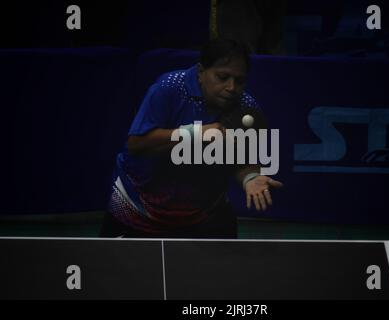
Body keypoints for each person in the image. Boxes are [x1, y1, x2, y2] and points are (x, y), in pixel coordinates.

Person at [99, 38, 282, 239]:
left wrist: (250, 178)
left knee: (225, 266)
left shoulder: (246, 108)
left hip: (202, 212)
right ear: (201, 72)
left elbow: (242, 160)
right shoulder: (170, 88)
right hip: (137, 206)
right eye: (222, 77)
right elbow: (136, 143)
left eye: (239, 80)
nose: (231, 87)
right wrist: (194, 134)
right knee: (112, 267)